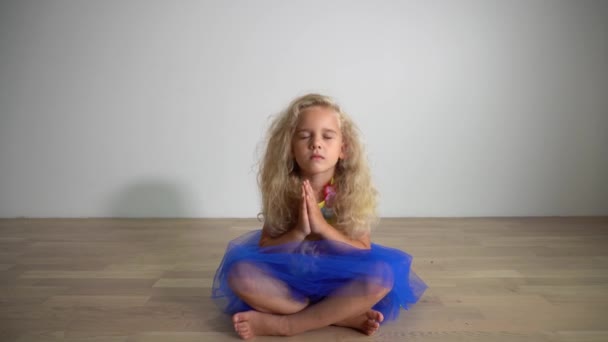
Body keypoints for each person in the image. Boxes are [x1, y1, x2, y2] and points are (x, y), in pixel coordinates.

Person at [212, 93, 426, 339]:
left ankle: (286, 325)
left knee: (381, 276)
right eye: (304, 136)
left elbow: (362, 251)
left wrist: (323, 229)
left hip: (341, 283)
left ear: (343, 148)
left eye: (327, 136)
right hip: (289, 283)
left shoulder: (350, 192)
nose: (316, 143)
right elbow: (266, 248)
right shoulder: (283, 190)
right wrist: (299, 233)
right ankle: (339, 316)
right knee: (239, 274)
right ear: (291, 148)